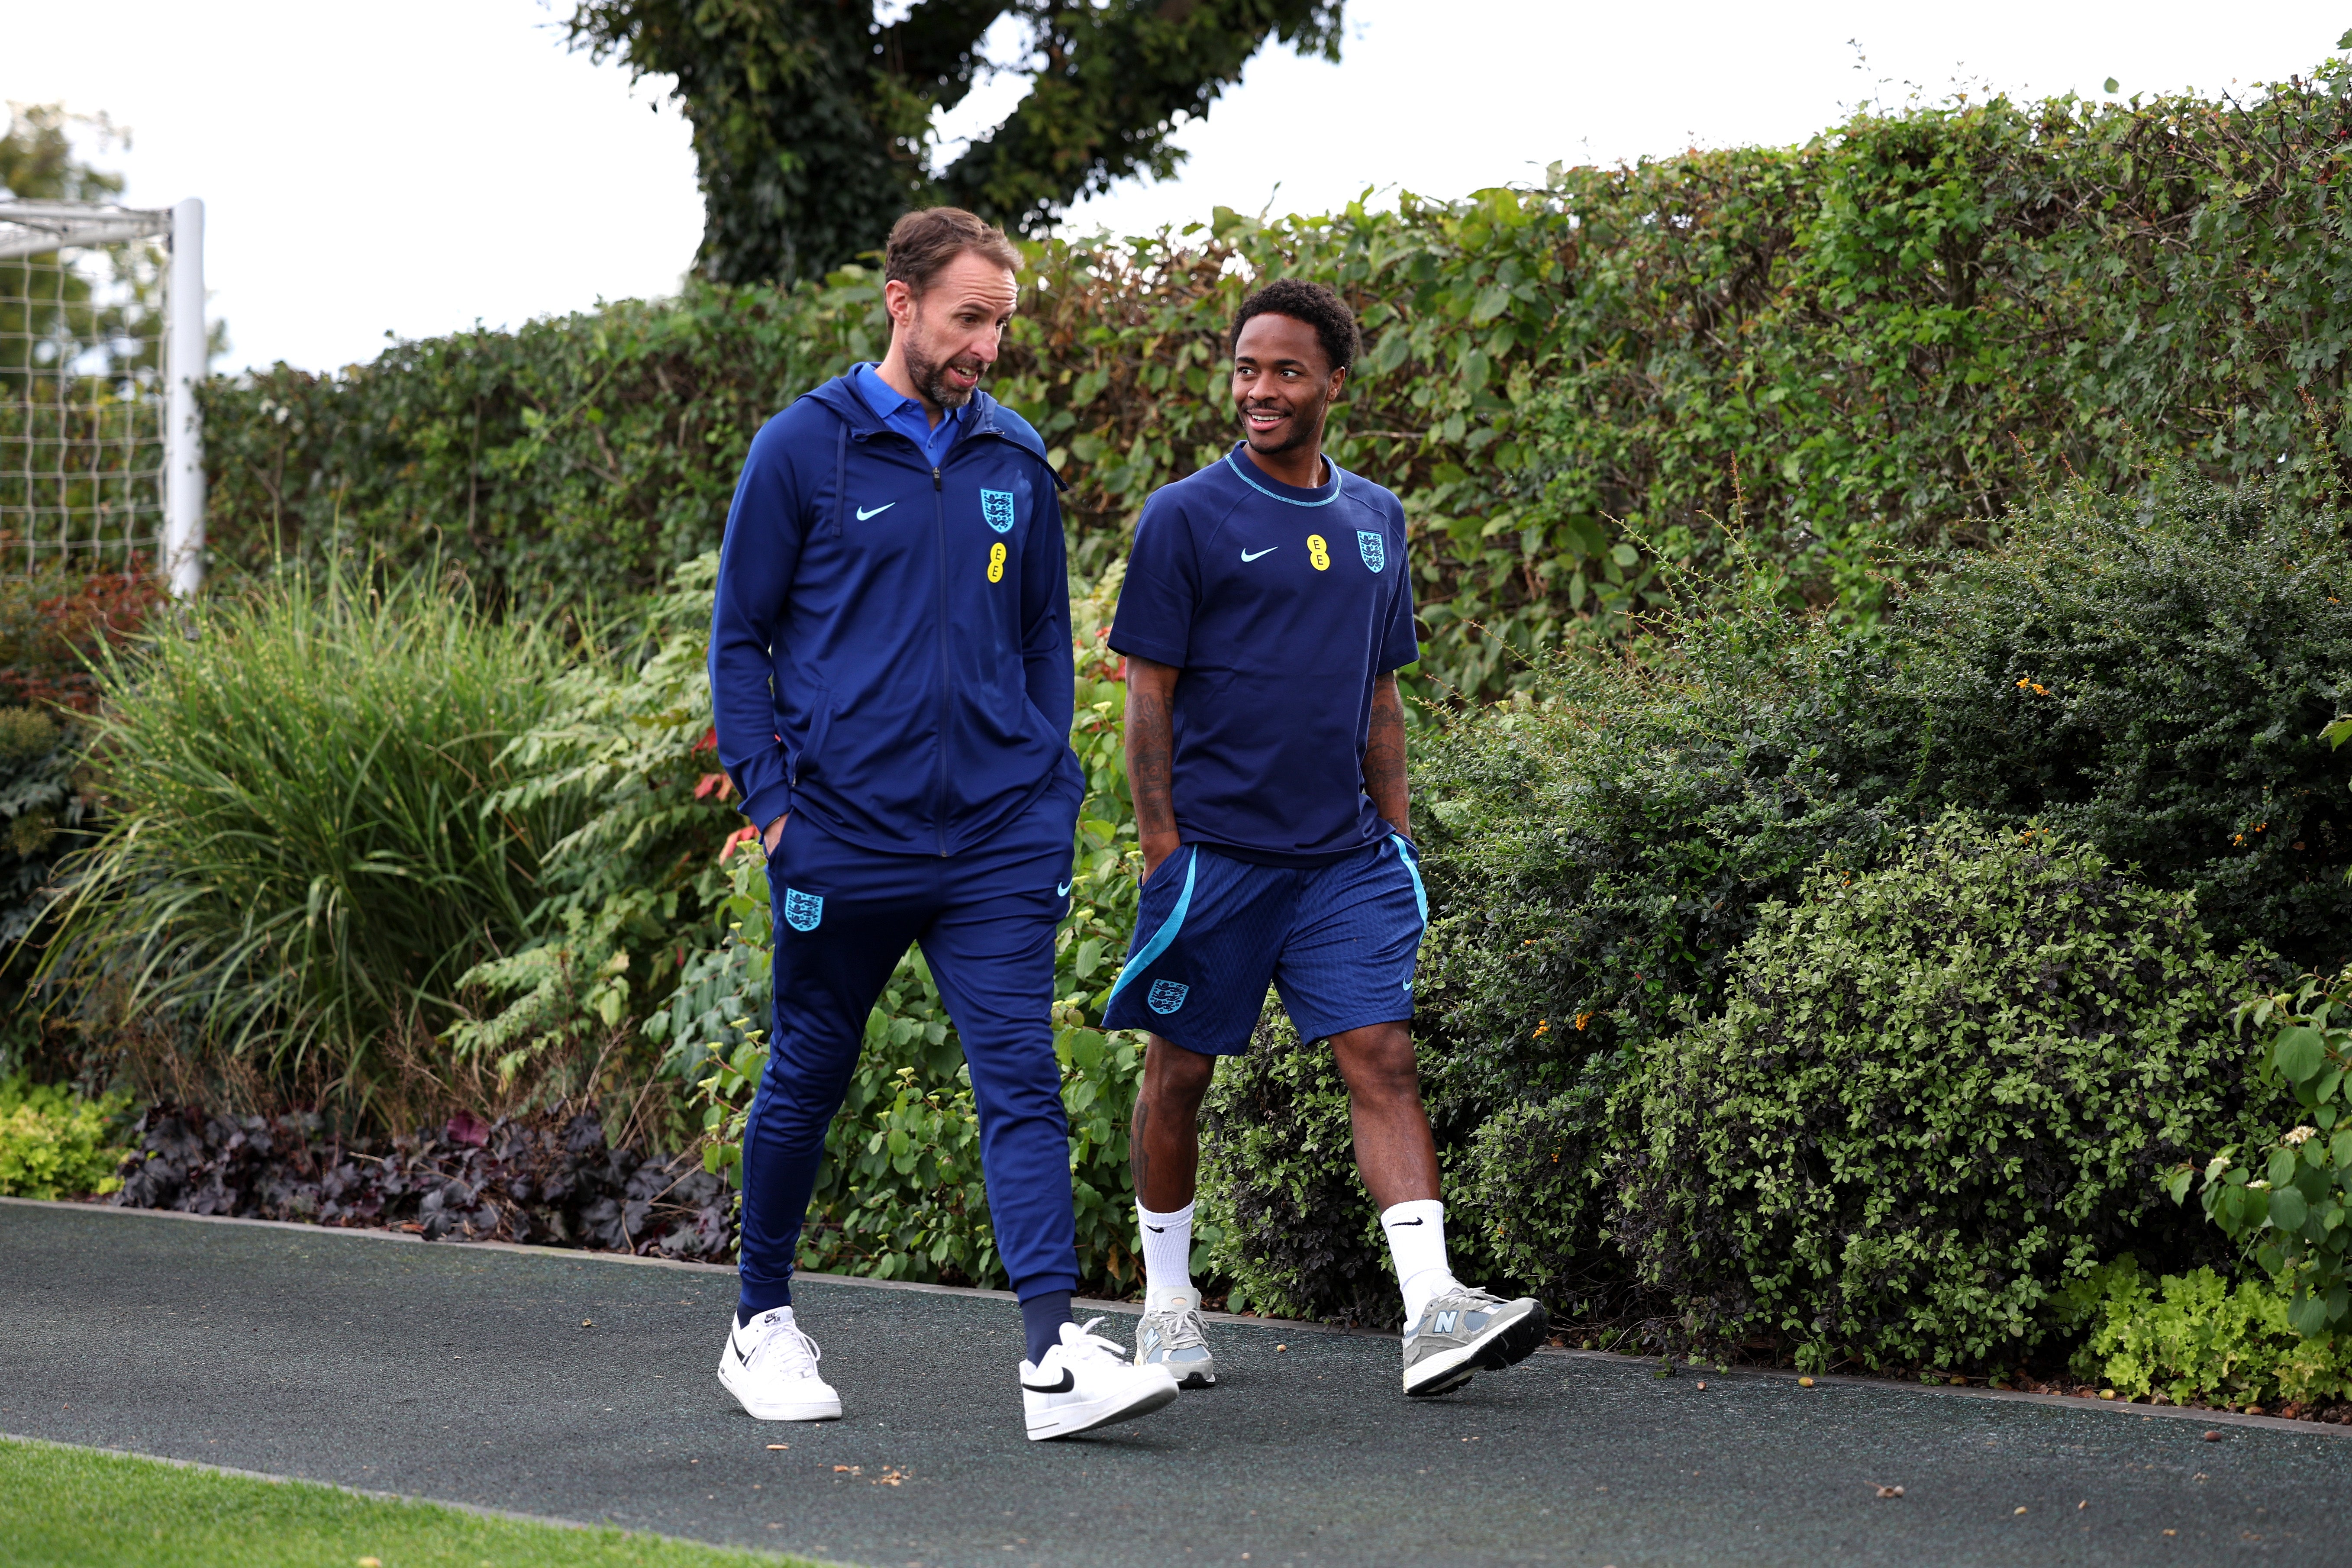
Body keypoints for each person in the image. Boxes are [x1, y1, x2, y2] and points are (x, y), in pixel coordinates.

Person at [707, 206, 1180, 1441]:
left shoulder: (1012, 459)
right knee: (809, 1072)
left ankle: (1048, 1353)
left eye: (1002, 323)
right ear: (900, 302)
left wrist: (1046, 781)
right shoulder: (802, 450)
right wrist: (775, 813)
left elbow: (1035, 632)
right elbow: (740, 640)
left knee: (1020, 1075)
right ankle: (760, 1322)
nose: (987, 345)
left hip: (993, 840)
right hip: (841, 839)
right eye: (969, 318)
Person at [1102, 278, 1548, 1398]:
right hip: (1216, 857)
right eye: (1246, 367)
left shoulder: (1374, 519)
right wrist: (1165, 857)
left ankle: (1433, 1309)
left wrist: (1394, 843)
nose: (1258, 389)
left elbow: (1380, 699)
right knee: (1181, 1074)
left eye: (1284, 371)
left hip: (1342, 859)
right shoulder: (1184, 518)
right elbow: (1144, 698)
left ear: (1331, 385)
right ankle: (1165, 1311)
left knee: (1382, 1057)